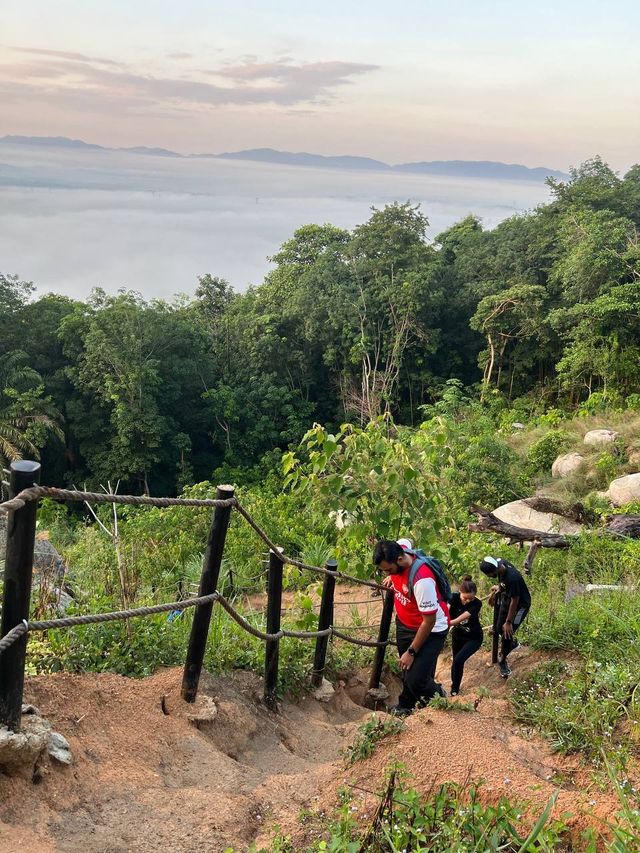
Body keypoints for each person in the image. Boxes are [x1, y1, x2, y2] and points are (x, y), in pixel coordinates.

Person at [373, 539, 450, 715]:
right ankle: (407, 705)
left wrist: (412, 651)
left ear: (400, 559)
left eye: (388, 569)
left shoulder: (422, 581)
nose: (387, 573)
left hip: (431, 630)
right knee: (408, 671)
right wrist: (391, 575)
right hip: (405, 624)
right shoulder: (400, 551)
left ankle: (440, 698)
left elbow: (428, 621)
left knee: (417, 678)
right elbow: (406, 540)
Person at [480, 556, 531, 678]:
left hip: (520, 605)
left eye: (489, 574)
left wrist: (508, 622)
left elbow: (515, 601)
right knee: (498, 628)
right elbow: (504, 582)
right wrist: (501, 588)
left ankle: (503, 660)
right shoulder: (499, 563)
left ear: (495, 570)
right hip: (507, 598)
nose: (488, 577)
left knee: (507, 631)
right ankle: (512, 644)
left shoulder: (513, 578)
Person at [448, 575, 483, 695]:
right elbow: (445, 610)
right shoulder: (453, 597)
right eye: (465, 598)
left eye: (470, 599)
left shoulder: (477, 603)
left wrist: (443, 623)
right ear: (460, 592)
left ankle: (455, 690)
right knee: (455, 662)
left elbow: (458, 620)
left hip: (473, 637)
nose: (468, 601)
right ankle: (454, 688)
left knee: (458, 660)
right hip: (458, 635)